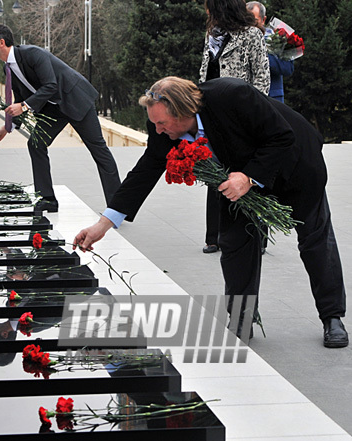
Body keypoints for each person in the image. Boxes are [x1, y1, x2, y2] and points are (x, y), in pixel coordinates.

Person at [73, 76, 348, 349]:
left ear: (182, 112)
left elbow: (282, 136)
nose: (157, 130)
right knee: (234, 243)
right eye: (155, 123)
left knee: (315, 239)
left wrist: (250, 177)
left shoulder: (233, 95)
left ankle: (332, 317)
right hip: (236, 180)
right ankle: (241, 319)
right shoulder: (162, 125)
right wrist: (103, 225)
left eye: (162, 124)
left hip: (295, 165)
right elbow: (147, 169)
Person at [0, 24, 121, 212]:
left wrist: (23, 107)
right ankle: (47, 199)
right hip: (53, 110)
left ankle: (117, 207)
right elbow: (20, 99)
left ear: (1, 42)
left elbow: (50, 86)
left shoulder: (33, 54)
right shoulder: (8, 70)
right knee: (36, 143)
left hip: (75, 99)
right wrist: (6, 128)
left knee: (98, 150)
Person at [199, 0, 270, 254]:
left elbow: (261, 76)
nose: (206, 12)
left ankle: (256, 233)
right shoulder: (213, 34)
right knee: (214, 171)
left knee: (246, 174)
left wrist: (256, 114)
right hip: (213, 112)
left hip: (243, 114)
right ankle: (214, 236)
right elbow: (206, 71)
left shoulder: (252, 34)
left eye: (210, 7)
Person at [247, 1, 295, 103]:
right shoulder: (238, 39)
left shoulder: (276, 39)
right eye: (246, 21)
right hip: (247, 97)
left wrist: (261, 57)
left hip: (272, 98)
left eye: (254, 21)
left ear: (263, 20)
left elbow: (288, 68)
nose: (250, 25)